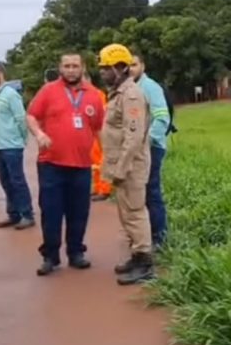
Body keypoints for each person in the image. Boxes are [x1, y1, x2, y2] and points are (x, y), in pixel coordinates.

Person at [27, 53, 106, 276]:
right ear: (60, 69)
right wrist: (39, 134)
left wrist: (109, 156)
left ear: (83, 68)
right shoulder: (48, 91)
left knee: (79, 212)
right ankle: (50, 256)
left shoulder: (93, 95)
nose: (71, 70)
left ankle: (76, 252)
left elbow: (99, 128)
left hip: (81, 165)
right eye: (67, 66)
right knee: (51, 212)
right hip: (51, 164)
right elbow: (31, 116)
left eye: (75, 66)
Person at [98, 44, 154, 286]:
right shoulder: (118, 93)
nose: (102, 72)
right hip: (121, 164)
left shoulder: (131, 95)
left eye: (105, 68)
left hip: (130, 166)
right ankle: (136, 255)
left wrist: (120, 169)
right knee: (126, 213)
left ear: (119, 68)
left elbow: (133, 136)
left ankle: (145, 262)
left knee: (135, 212)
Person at [129, 53, 172, 248]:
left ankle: (159, 236)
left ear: (142, 66)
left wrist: (147, 142)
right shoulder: (129, 89)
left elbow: (162, 117)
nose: (130, 69)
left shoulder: (150, 87)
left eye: (134, 64)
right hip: (135, 149)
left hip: (151, 148)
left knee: (151, 191)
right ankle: (143, 235)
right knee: (138, 192)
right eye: (127, 66)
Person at [0, 62, 35, 230]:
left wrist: (22, 138)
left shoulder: (10, 94)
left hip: (12, 145)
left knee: (17, 181)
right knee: (5, 181)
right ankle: (13, 214)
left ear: (1, 74)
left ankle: (27, 214)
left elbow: (21, 118)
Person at [86, 71, 112, 202]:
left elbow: (101, 115)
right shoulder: (82, 95)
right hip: (89, 133)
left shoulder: (97, 94)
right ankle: (97, 188)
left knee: (101, 160)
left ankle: (105, 189)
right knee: (94, 162)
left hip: (99, 131)